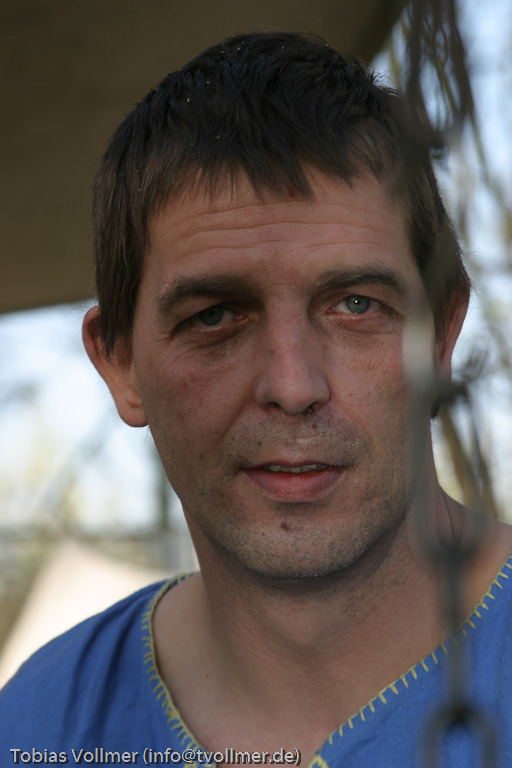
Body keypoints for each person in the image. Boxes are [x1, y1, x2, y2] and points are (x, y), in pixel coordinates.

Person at [1, 30, 512, 768]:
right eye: (214, 316)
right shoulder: (41, 726)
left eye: (356, 305)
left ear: (441, 336)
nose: (293, 386)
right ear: (120, 363)